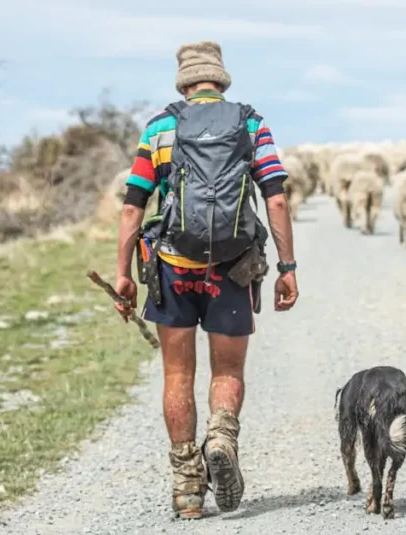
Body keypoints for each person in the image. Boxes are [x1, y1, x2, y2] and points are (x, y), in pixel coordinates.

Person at [111, 40, 299, 519]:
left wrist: (122, 274)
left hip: (173, 268)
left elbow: (133, 205)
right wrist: (287, 267)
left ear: (184, 81)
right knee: (228, 372)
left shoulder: (160, 126)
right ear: (221, 80)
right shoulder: (251, 123)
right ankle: (221, 435)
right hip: (232, 269)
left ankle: (188, 489)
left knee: (178, 374)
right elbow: (275, 198)